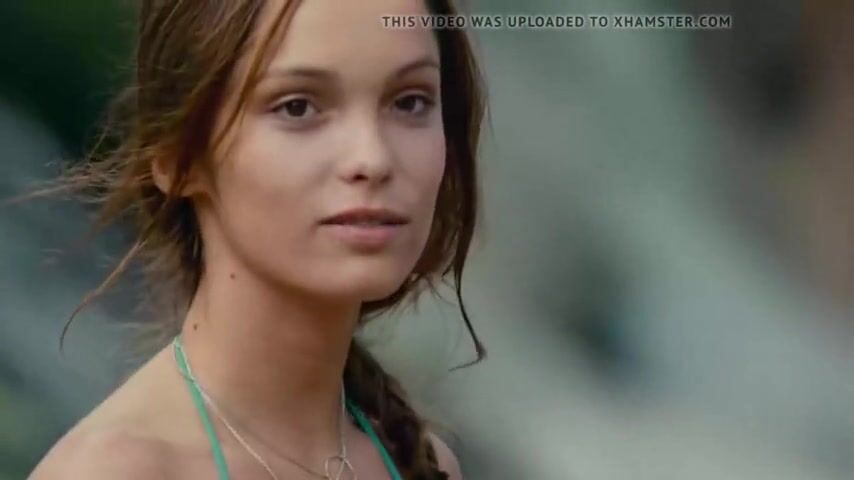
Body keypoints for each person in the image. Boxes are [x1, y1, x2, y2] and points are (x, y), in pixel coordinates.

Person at [28, 0, 487, 478]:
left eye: (410, 102)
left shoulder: (421, 464)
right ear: (178, 156)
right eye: (297, 107)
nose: (372, 158)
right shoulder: (114, 470)